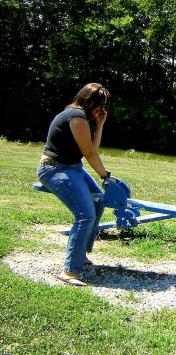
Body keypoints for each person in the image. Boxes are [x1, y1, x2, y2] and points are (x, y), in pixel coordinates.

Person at [37, 83, 112, 287]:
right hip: (54, 169)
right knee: (85, 215)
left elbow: (91, 148)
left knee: (98, 201)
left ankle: (81, 255)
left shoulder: (83, 118)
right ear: (90, 102)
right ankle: (70, 271)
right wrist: (105, 176)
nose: (102, 110)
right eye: (100, 105)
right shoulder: (76, 116)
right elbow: (89, 155)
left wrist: (100, 123)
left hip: (72, 167)